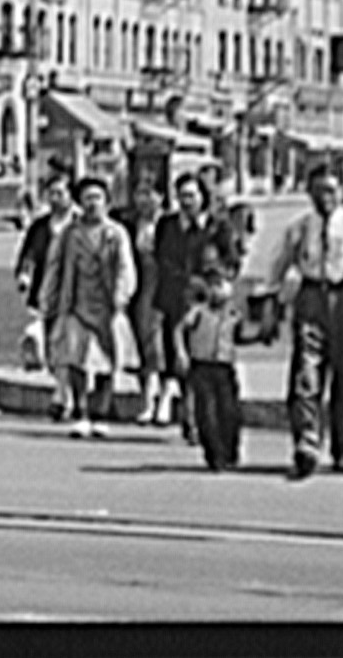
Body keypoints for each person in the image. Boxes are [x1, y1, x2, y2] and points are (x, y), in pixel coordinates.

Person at [269, 164, 343, 480]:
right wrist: (271, 300)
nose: (326, 198)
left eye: (332, 190)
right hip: (311, 298)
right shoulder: (299, 227)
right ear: (309, 193)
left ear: (342, 192)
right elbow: (279, 264)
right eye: (319, 191)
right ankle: (307, 442)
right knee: (306, 375)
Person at [38, 175, 137, 439]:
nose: (93, 204)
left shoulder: (116, 234)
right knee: (76, 360)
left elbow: (126, 268)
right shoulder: (70, 234)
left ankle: (100, 413)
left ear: (107, 202)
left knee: (106, 362)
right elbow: (55, 267)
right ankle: (81, 412)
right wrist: (47, 299)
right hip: (75, 305)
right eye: (87, 198)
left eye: (98, 198)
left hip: (106, 307)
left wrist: (121, 295)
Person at [153, 172, 239, 442]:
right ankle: (188, 416)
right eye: (182, 196)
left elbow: (231, 261)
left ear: (203, 197)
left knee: (205, 364)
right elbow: (162, 259)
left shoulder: (218, 226)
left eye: (191, 195)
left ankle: (201, 420)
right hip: (175, 300)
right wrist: (185, 281)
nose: (186, 201)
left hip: (208, 306)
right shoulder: (167, 225)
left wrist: (218, 283)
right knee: (179, 359)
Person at [177, 257, 259, 471]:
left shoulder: (233, 314)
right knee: (207, 413)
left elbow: (239, 337)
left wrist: (260, 336)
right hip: (202, 365)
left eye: (221, 284)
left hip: (224, 367)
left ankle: (230, 451)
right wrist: (182, 354)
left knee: (229, 411)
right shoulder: (198, 312)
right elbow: (180, 331)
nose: (218, 290)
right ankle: (214, 455)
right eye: (213, 285)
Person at [14, 174, 76, 418]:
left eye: (60, 193)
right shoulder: (40, 226)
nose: (55, 198)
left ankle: (64, 396)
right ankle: (62, 388)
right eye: (51, 193)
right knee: (51, 347)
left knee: (69, 345)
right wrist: (24, 275)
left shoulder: (79, 224)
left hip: (75, 294)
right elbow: (28, 254)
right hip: (46, 293)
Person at [125, 184, 168, 426]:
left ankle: (161, 400)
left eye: (151, 194)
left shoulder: (168, 225)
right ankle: (146, 397)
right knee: (142, 342)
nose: (145, 200)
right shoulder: (129, 225)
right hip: (137, 287)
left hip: (162, 287)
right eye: (140, 194)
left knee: (159, 343)